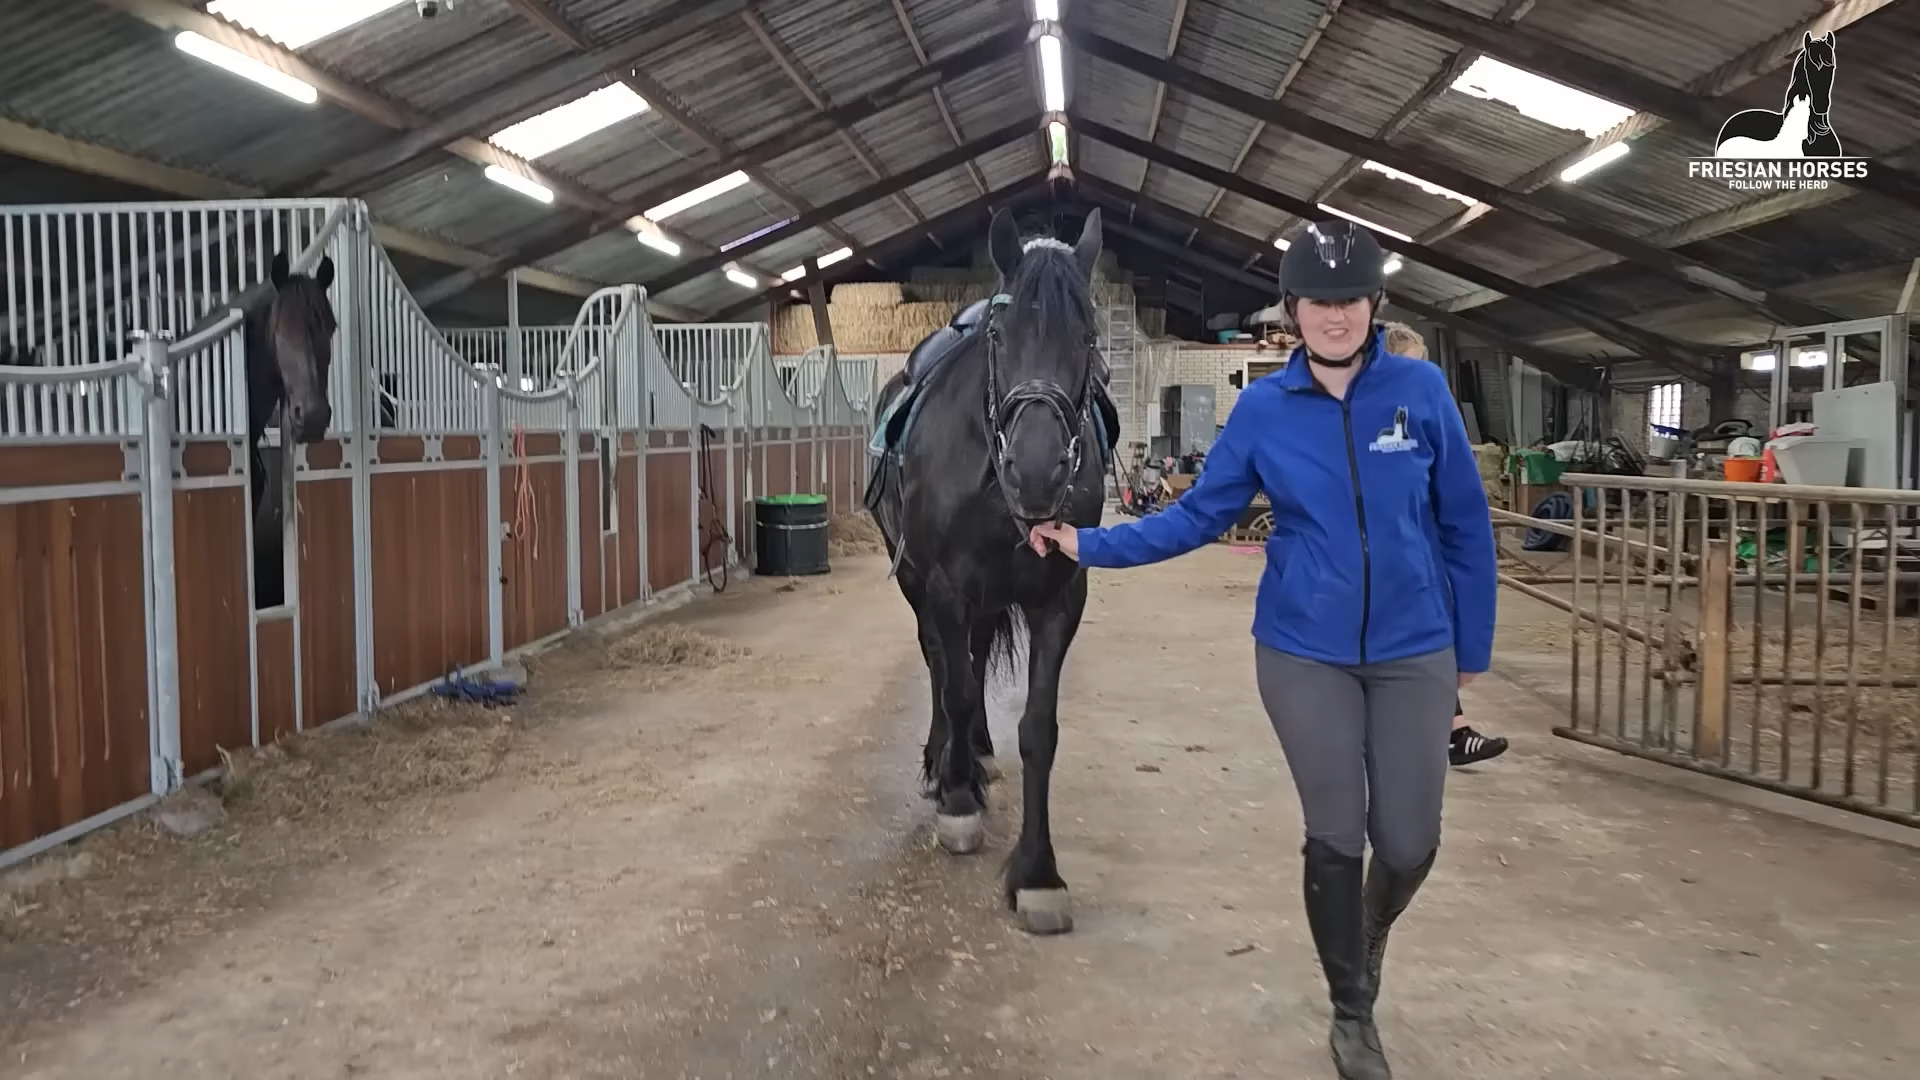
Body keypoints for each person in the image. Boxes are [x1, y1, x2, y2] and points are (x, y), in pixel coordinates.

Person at [1028, 221, 1497, 1080]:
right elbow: (1197, 516)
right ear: (1292, 311)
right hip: (1303, 648)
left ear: (1374, 305)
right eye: (1318, 302)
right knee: (1337, 828)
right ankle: (1353, 1010)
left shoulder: (1421, 393)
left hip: (1415, 645)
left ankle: (1369, 927)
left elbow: (1465, 525)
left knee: (1408, 840)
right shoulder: (1263, 409)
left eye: (1349, 300)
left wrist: (1472, 648)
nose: (1335, 316)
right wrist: (1086, 544)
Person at [1377, 321, 1509, 769]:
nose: (1423, 376)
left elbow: (1461, 513)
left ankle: (1451, 733)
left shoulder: (1424, 418)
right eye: (1413, 364)